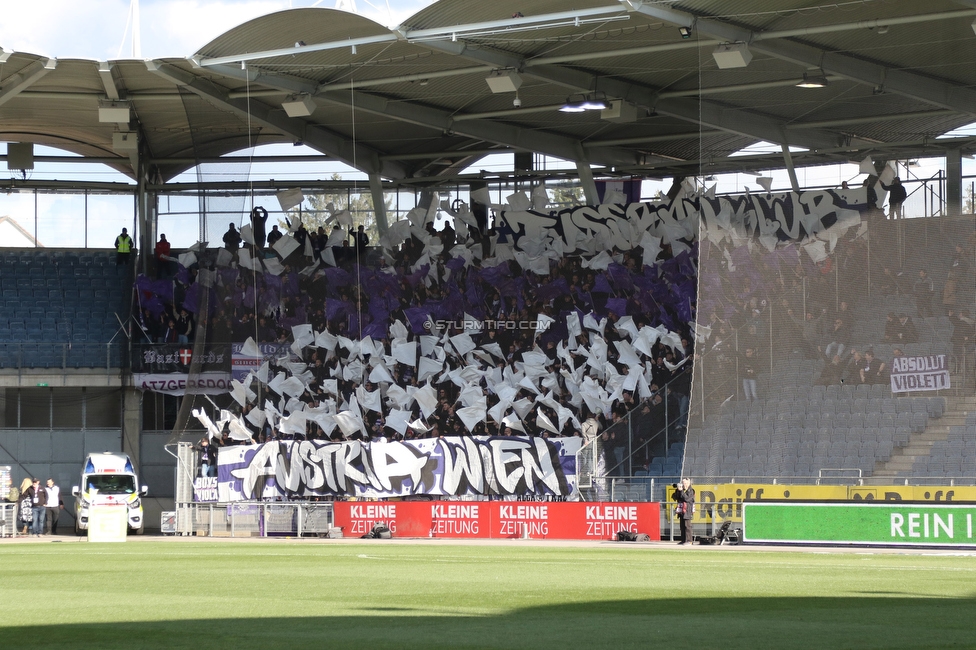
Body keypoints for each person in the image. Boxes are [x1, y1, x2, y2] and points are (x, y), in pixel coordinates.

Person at [673, 478, 695, 545]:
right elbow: (675, 498)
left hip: (687, 510)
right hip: (682, 510)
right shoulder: (681, 490)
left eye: (685, 483)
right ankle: (683, 540)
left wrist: (681, 491)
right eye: (683, 483)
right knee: (682, 526)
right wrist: (678, 491)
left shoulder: (691, 491)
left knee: (687, 526)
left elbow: (687, 499)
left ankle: (689, 540)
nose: (684, 485)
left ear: (688, 483)